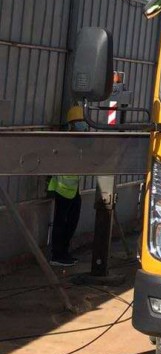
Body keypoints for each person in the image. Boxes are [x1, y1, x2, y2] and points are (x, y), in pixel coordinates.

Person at [48, 105, 85, 267]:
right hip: (63, 188)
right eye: (80, 122)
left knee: (71, 222)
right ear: (72, 124)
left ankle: (64, 252)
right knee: (61, 223)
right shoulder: (67, 141)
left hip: (73, 189)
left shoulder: (78, 141)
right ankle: (57, 255)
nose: (83, 125)